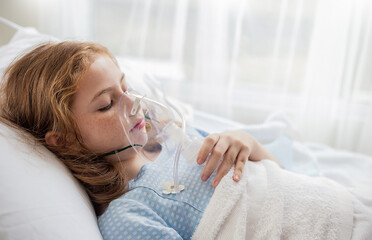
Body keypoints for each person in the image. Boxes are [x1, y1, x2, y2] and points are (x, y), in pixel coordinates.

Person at [0, 41, 280, 239]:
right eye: (107, 104)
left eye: (126, 87)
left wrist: (248, 143)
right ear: (65, 139)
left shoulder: (179, 142)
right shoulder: (127, 217)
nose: (133, 102)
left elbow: (279, 179)